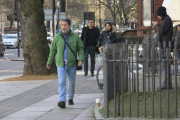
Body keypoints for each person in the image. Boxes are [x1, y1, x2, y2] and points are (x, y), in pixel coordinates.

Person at [46, 19, 84, 108]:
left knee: (71, 83)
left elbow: (81, 49)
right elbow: (53, 51)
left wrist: (81, 60)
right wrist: (49, 62)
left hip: (72, 64)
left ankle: (70, 97)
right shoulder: (57, 37)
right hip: (61, 64)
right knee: (61, 82)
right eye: (62, 25)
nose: (63, 27)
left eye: (65, 25)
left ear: (69, 26)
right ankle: (62, 100)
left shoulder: (75, 37)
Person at [152, 6, 173, 90]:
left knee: (166, 66)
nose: (158, 16)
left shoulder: (167, 20)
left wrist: (157, 25)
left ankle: (167, 84)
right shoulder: (165, 20)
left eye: (159, 15)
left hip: (165, 46)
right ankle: (166, 83)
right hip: (164, 45)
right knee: (165, 66)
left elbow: (162, 31)